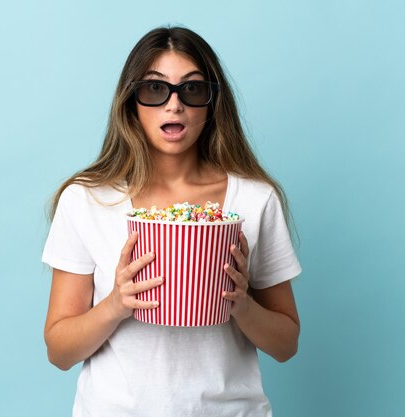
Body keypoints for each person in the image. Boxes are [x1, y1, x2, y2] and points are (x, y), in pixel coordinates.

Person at [42, 26, 302, 417]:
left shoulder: (254, 200)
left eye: (192, 90)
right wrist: (116, 303)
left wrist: (241, 302)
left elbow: (286, 345)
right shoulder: (87, 200)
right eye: (154, 89)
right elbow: (59, 352)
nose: (174, 105)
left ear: (212, 103)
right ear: (132, 102)